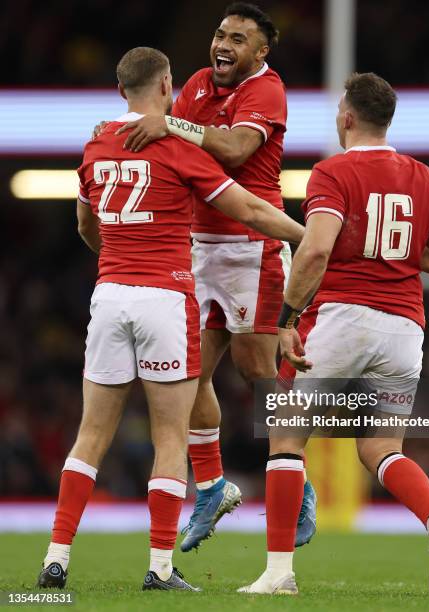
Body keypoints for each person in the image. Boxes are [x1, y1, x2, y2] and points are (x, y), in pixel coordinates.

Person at [37, 46, 304, 592]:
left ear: (119, 91)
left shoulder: (94, 145)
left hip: (109, 295)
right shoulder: (174, 146)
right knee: (167, 437)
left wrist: (118, 254)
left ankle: (55, 559)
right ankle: (159, 569)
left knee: (89, 436)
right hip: (165, 296)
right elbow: (250, 210)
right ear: (166, 88)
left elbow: (86, 225)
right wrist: (311, 240)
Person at [239, 72, 429, 596]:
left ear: (346, 117)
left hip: (342, 318)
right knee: (380, 447)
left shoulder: (332, 172)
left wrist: (287, 319)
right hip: (404, 329)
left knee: (286, 436)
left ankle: (278, 574)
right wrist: (401, 259)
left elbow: (316, 249)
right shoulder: (423, 177)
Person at [113, 2, 317, 552]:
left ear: (261, 51)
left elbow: (232, 148)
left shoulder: (268, 91)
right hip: (200, 248)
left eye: (238, 38)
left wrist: (169, 123)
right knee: (186, 373)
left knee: (257, 370)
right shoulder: (199, 83)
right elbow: (167, 143)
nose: (223, 44)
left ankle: (296, 481)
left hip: (254, 246)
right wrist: (126, 131)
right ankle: (211, 486)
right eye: (220, 33)